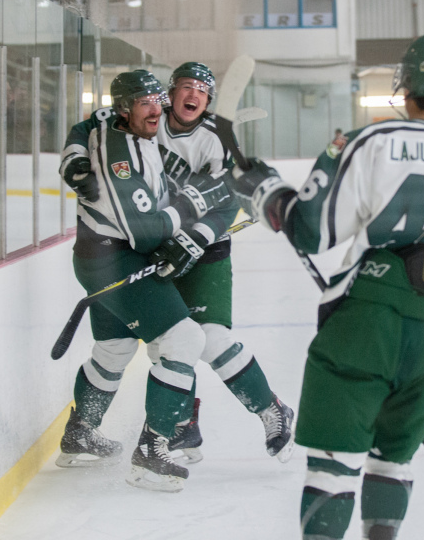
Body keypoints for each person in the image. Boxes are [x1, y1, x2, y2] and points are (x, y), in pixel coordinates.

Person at [226, 34, 424, 539]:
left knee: (334, 466)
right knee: (393, 460)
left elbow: (312, 229)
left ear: (408, 85)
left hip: (367, 317)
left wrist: (262, 189)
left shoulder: (372, 141)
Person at [63, 62, 294, 463]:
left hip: (204, 251)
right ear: (169, 93)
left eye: (203, 91)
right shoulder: (145, 120)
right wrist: (75, 158)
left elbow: (229, 200)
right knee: (152, 344)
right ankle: (180, 426)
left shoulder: (216, 138)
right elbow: (91, 126)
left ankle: (272, 410)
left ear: (208, 101)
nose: (193, 96)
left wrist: (197, 236)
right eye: (185, 87)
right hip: (152, 243)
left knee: (206, 338)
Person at [56, 70, 230, 492]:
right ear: (124, 110)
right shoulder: (120, 160)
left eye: (158, 100)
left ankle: (80, 434)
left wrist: (72, 153)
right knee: (185, 340)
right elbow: (148, 232)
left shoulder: (108, 122)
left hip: (99, 258)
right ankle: (153, 452)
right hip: (116, 262)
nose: (157, 110)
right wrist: (195, 203)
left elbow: (86, 122)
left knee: (114, 350)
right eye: (145, 103)